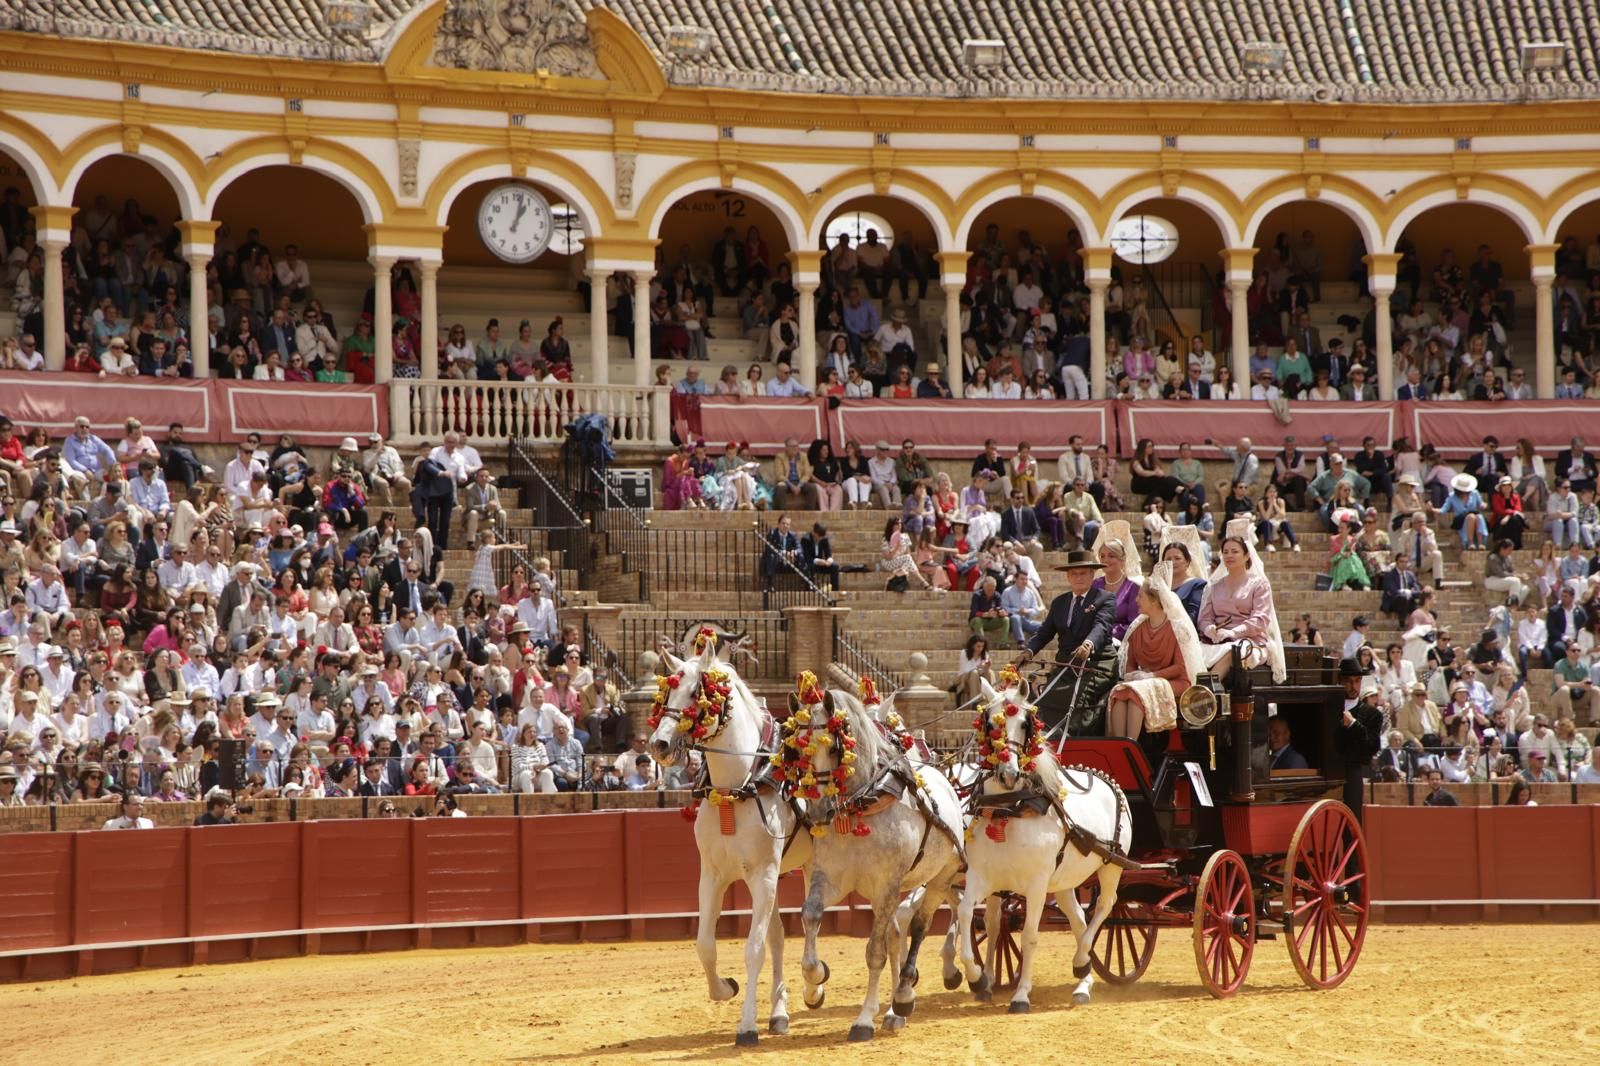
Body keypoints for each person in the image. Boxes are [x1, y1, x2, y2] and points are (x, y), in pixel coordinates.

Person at [1106, 564, 1204, 743]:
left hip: (1174, 682)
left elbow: (1180, 668)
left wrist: (1151, 676)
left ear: (1154, 601)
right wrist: (1131, 675)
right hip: (1144, 682)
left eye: (1140, 596)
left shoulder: (1176, 628)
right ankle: (1118, 747)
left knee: (1136, 693)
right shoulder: (1138, 627)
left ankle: (1131, 747)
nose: (1136, 600)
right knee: (1119, 692)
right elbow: (1131, 661)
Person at [1197, 527, 1286, 682]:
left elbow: (1260, 619)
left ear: (1246, 556)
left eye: (1234, 551)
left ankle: (1206, 690)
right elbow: (1205, 618)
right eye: (1225, 552)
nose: (1229, 555)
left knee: (1235, 651)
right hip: (1217, 641)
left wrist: (1234, 632)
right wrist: (1209, 629)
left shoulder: (1259, 584)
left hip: (1251, 642)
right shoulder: (1214, 586)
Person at [1017, 549, 1113, 668]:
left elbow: (1101, 626)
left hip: (1096, 663)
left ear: (1092, 574)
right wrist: (1029, 651)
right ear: (1068, 576)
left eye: (1083, 573)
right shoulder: (1059, 603)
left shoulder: (1105, 599)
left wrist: (1088, 645)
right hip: (1065, 663)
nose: (1078, 578)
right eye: (1074, 574)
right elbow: (1044, 633)